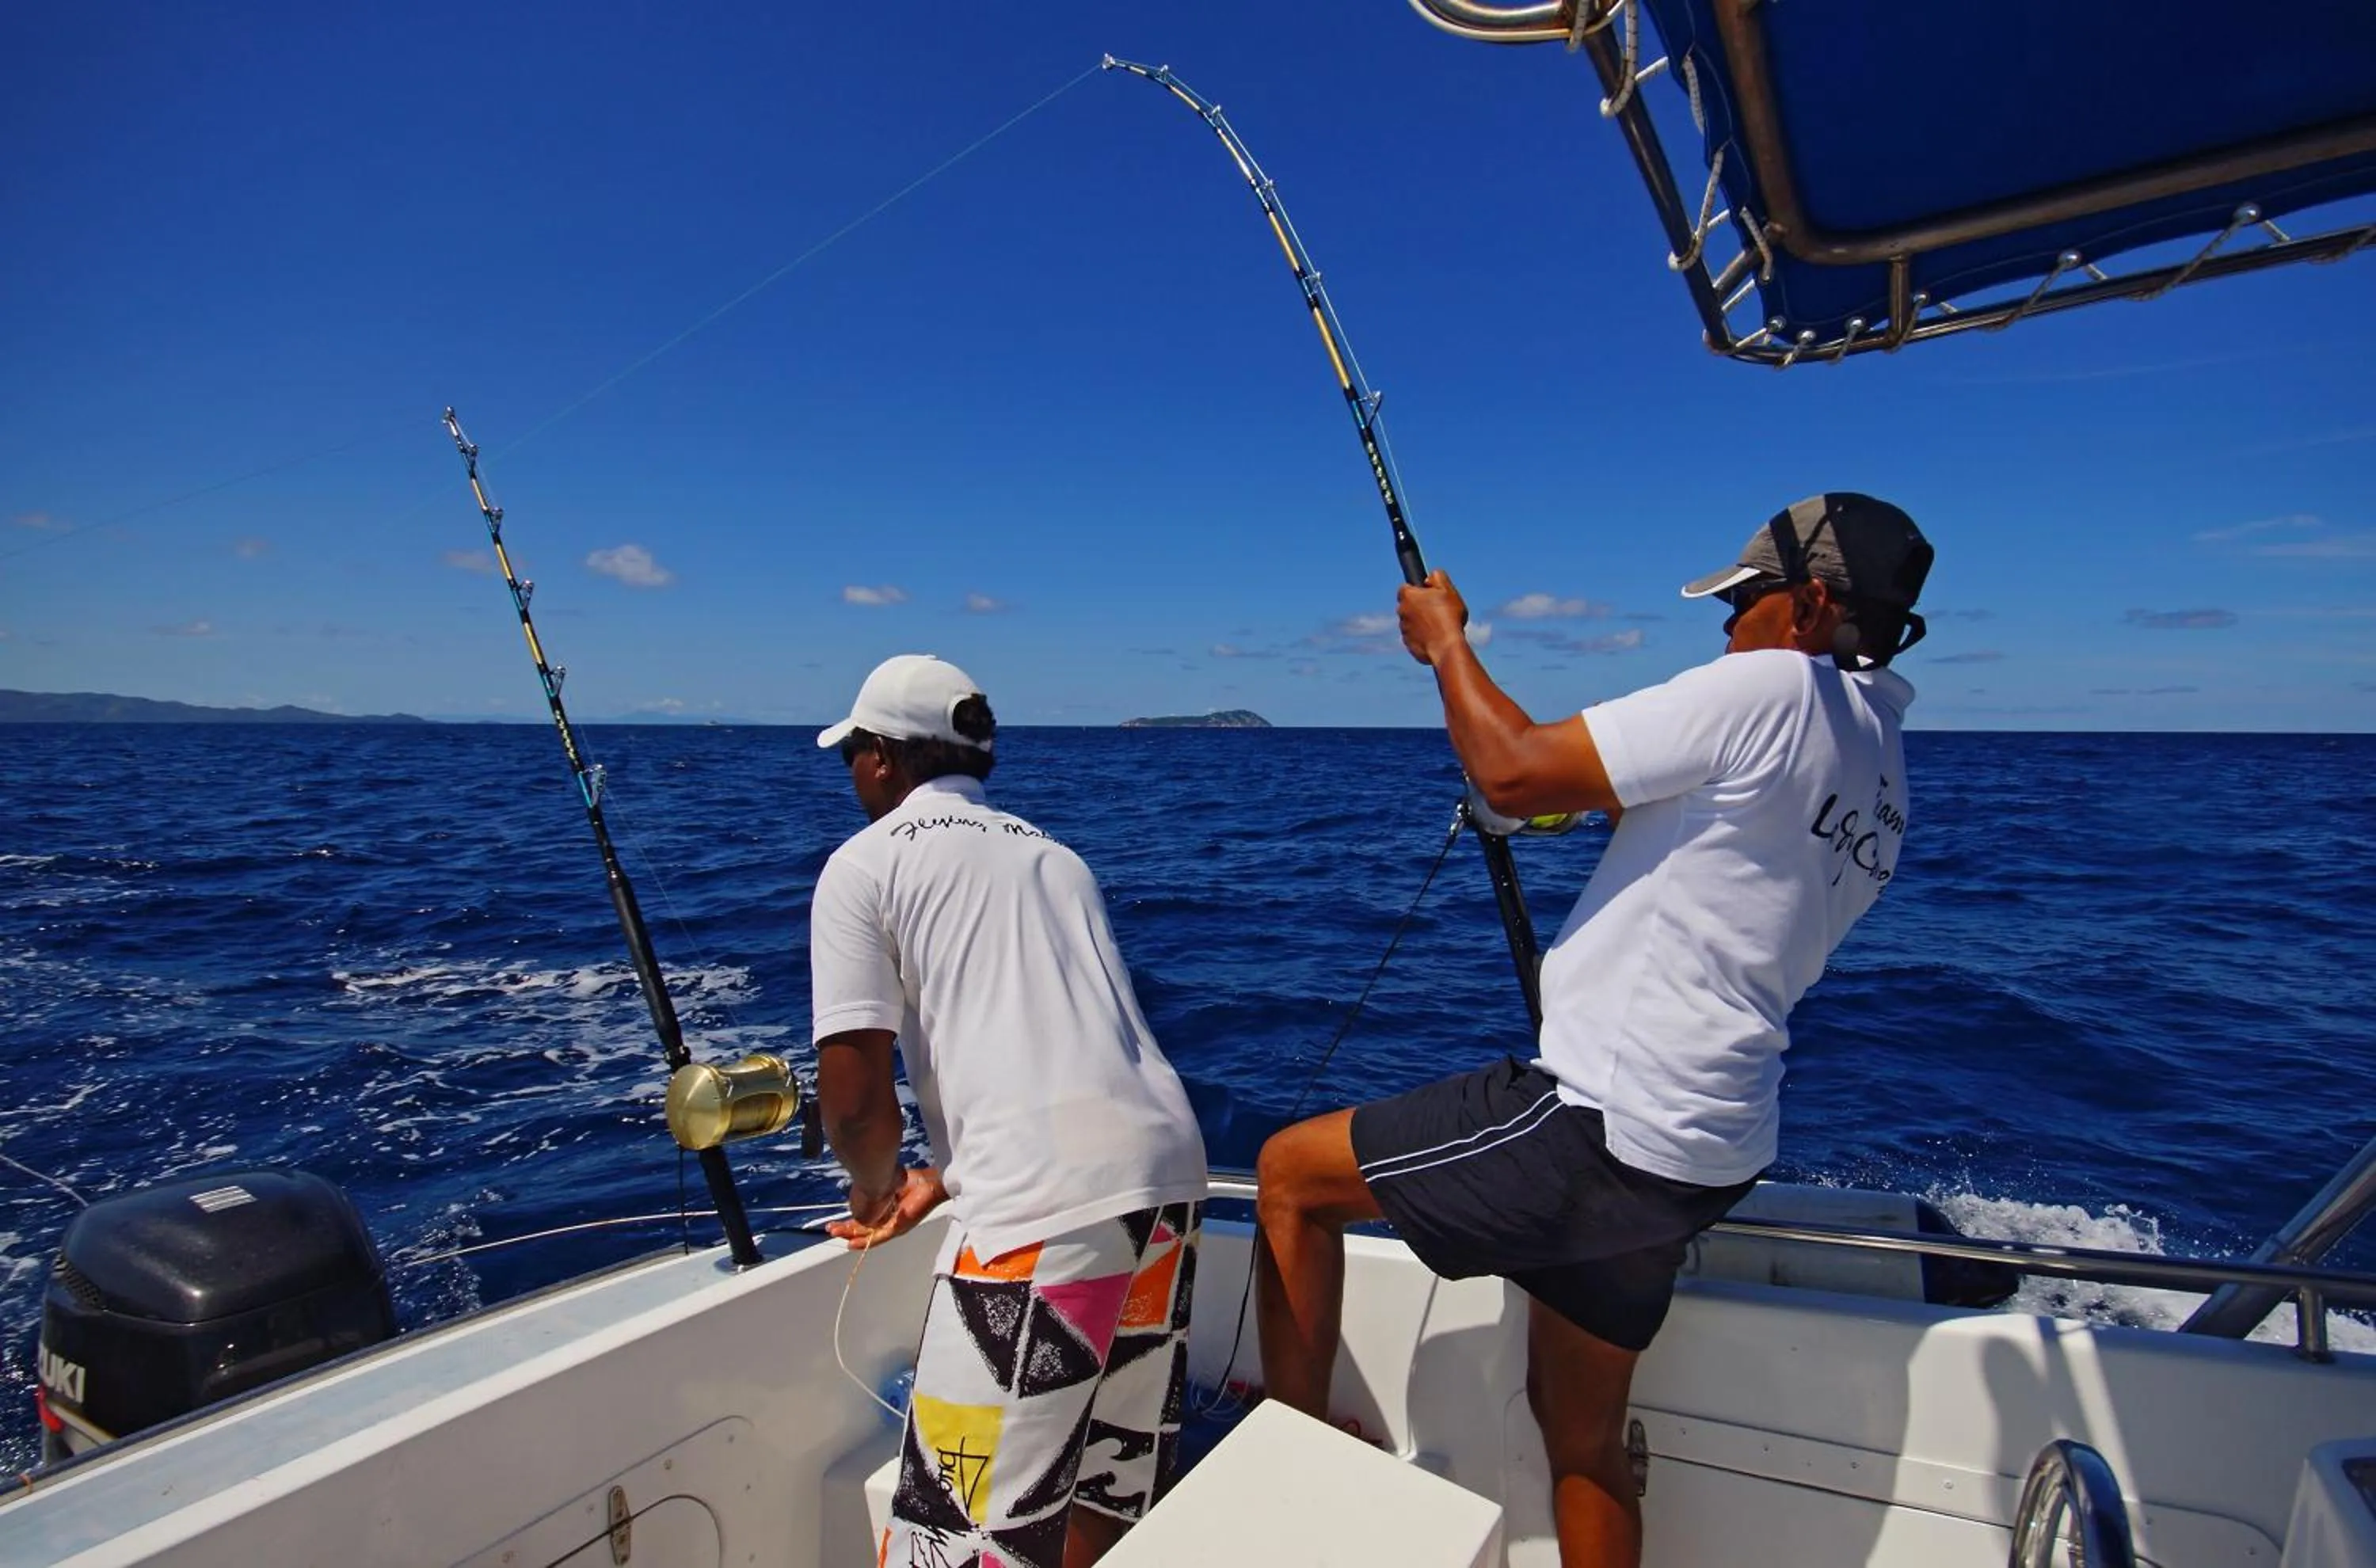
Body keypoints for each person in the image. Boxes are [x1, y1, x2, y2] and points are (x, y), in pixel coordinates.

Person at [1252, 494, 1932, 1567]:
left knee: (1289, 1178)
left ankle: (1279, 1477)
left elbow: (1512, 765)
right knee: (1580, 1436)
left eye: (1746, 600)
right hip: (1709, 1147)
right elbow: (1657, 816)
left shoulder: (1774, 687)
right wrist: (1536, 804)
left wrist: (1447, 647)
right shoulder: (1881, 768)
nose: (1727, 625)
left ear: (1807, 604)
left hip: (1603, 1125)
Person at [808, 653, 1209, 1568]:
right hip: (1166, 1186)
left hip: (1040, 1215)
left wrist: (875, 1190)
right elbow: (1058, 1054)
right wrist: (941, 1178)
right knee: (1109, 1484)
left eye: (852, 757)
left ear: (880, 757)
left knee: (957, 1543)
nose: (851, 776)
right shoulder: (1055, 857)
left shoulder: (865, 865)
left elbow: (857, 1102)